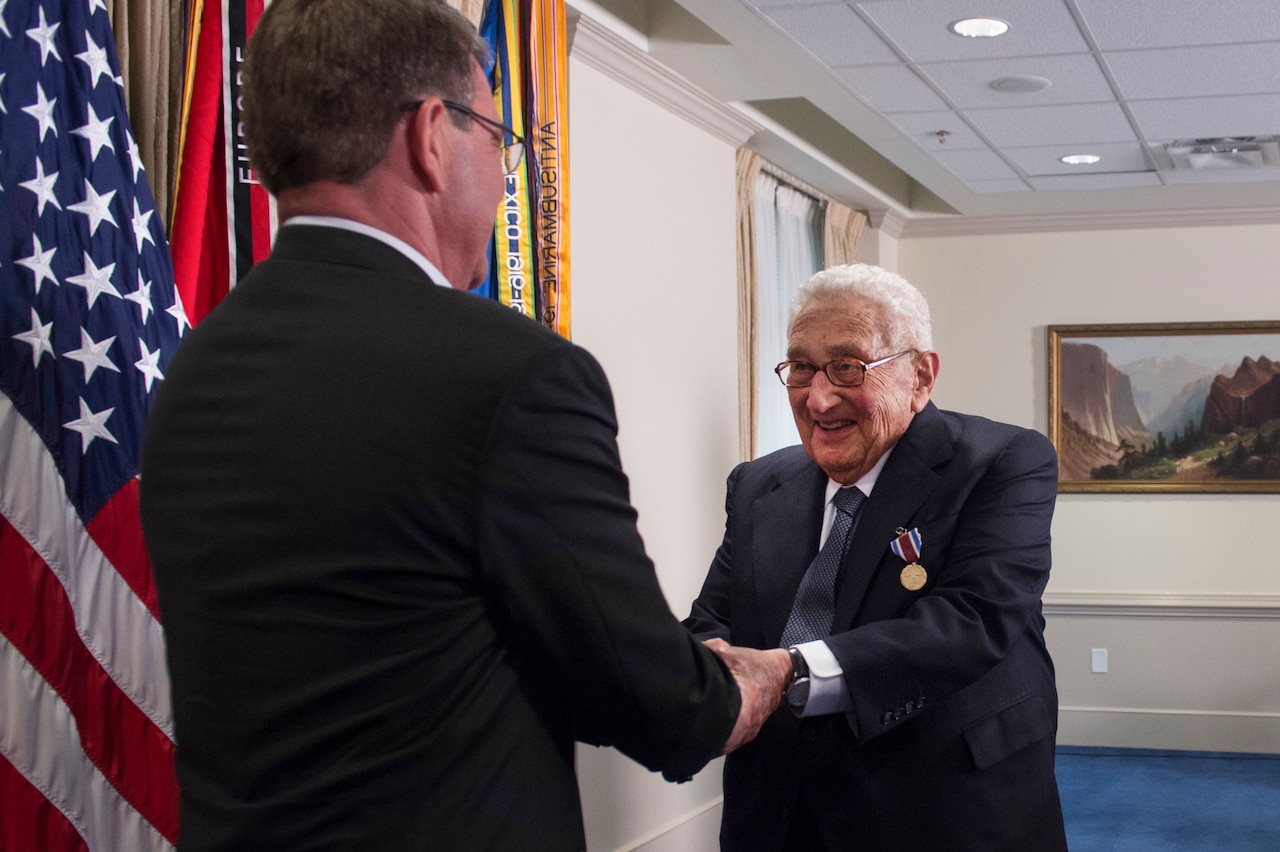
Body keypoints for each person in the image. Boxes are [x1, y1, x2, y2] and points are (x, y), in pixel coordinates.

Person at [138, 1, 780, 848]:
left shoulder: (196, 363)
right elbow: (659, 704)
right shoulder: (510, 373)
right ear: (433, 135)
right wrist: (754, 681)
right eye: (496, 137)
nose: (506, 174)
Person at [685, 263, 1068, 851]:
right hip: (777, 810)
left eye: (847, 366)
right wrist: (690, 678)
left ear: (920, 376)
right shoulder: (759, 484)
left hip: (944, 805)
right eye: (802, 368)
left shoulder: (1003, 462)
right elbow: (717, 616)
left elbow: (973, 620)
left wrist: (791, 670)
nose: (818, 396)